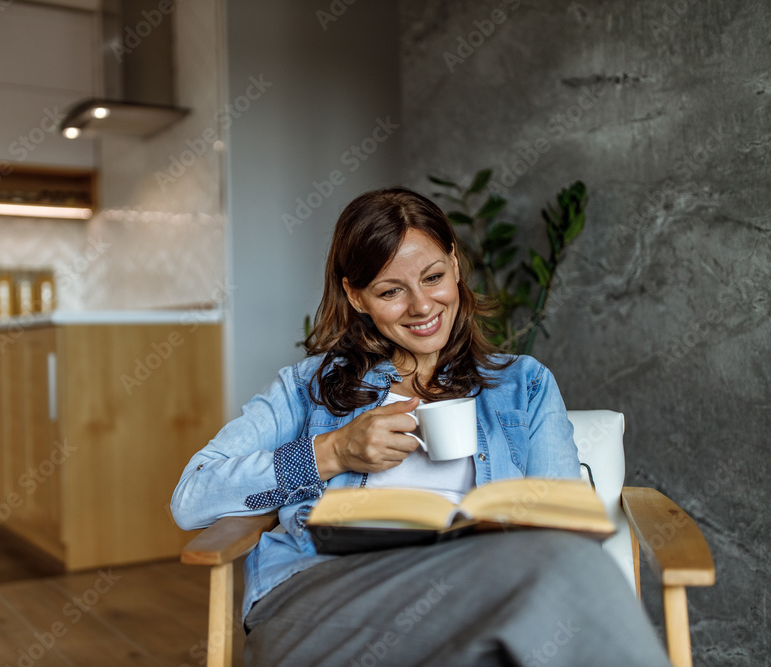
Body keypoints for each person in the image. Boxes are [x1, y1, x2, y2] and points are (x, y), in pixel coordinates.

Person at [171, 187, 671, 666]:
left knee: (562, 571)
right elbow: (191, 498)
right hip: (322, 593)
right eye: (391, 290)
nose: (422, 307)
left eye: (433, 277)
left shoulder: (524, 386)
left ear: (455, 264)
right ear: (357, 296)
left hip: (472, 596)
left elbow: (565, 530)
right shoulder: (307, 388)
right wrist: (332, 453)